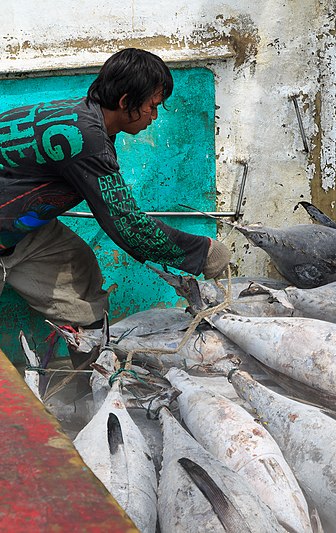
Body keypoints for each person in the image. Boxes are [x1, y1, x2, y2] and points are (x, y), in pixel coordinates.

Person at [0, 48, 231, 337]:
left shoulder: (82, 120)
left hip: (20, 232)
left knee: (76, 269)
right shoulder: (84, 137)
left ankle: (95, 370)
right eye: (152, 105)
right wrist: (204, 252)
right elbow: (128, 225)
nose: (155, 116)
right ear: (125, 102)